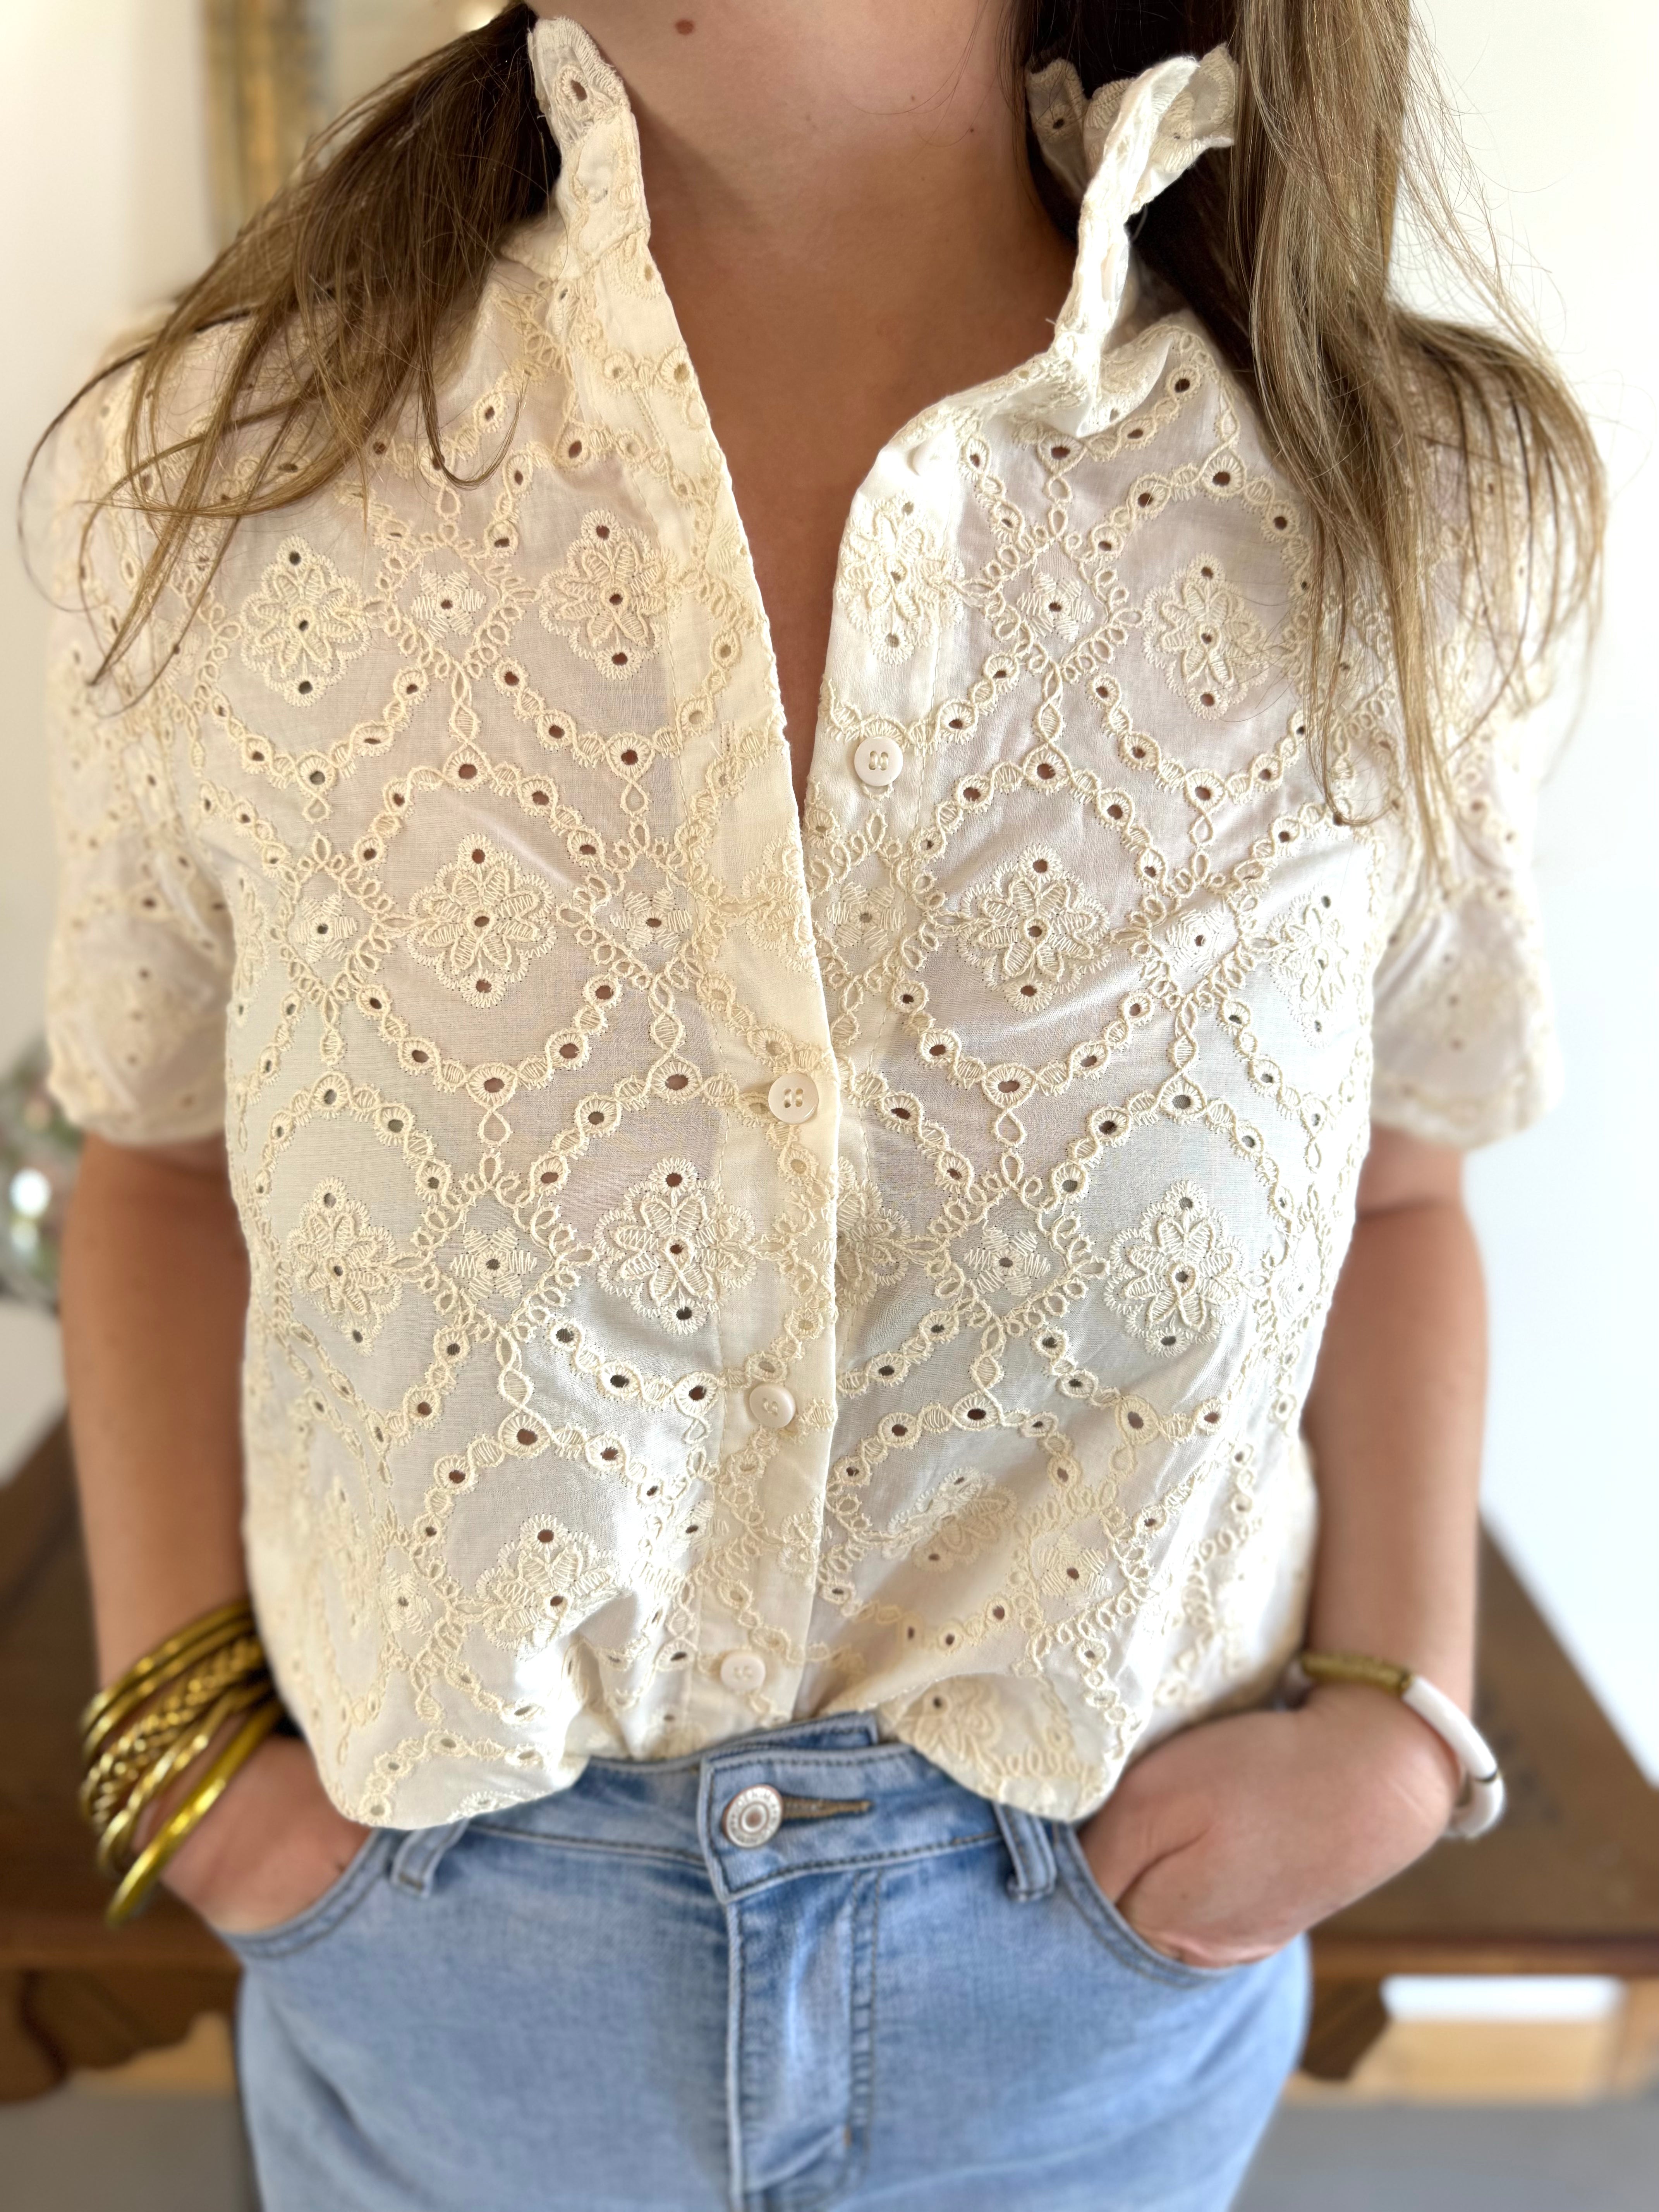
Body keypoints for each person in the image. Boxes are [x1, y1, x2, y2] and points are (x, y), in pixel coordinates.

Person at [36, 4, 1601, 2207]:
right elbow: (157, 1155)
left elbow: (1405, 1190)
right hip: (442, 1973)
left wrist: (1399, 1718)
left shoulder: (1413, 508)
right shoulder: (223, 464)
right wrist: (190, 1760)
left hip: (1094, 1984)